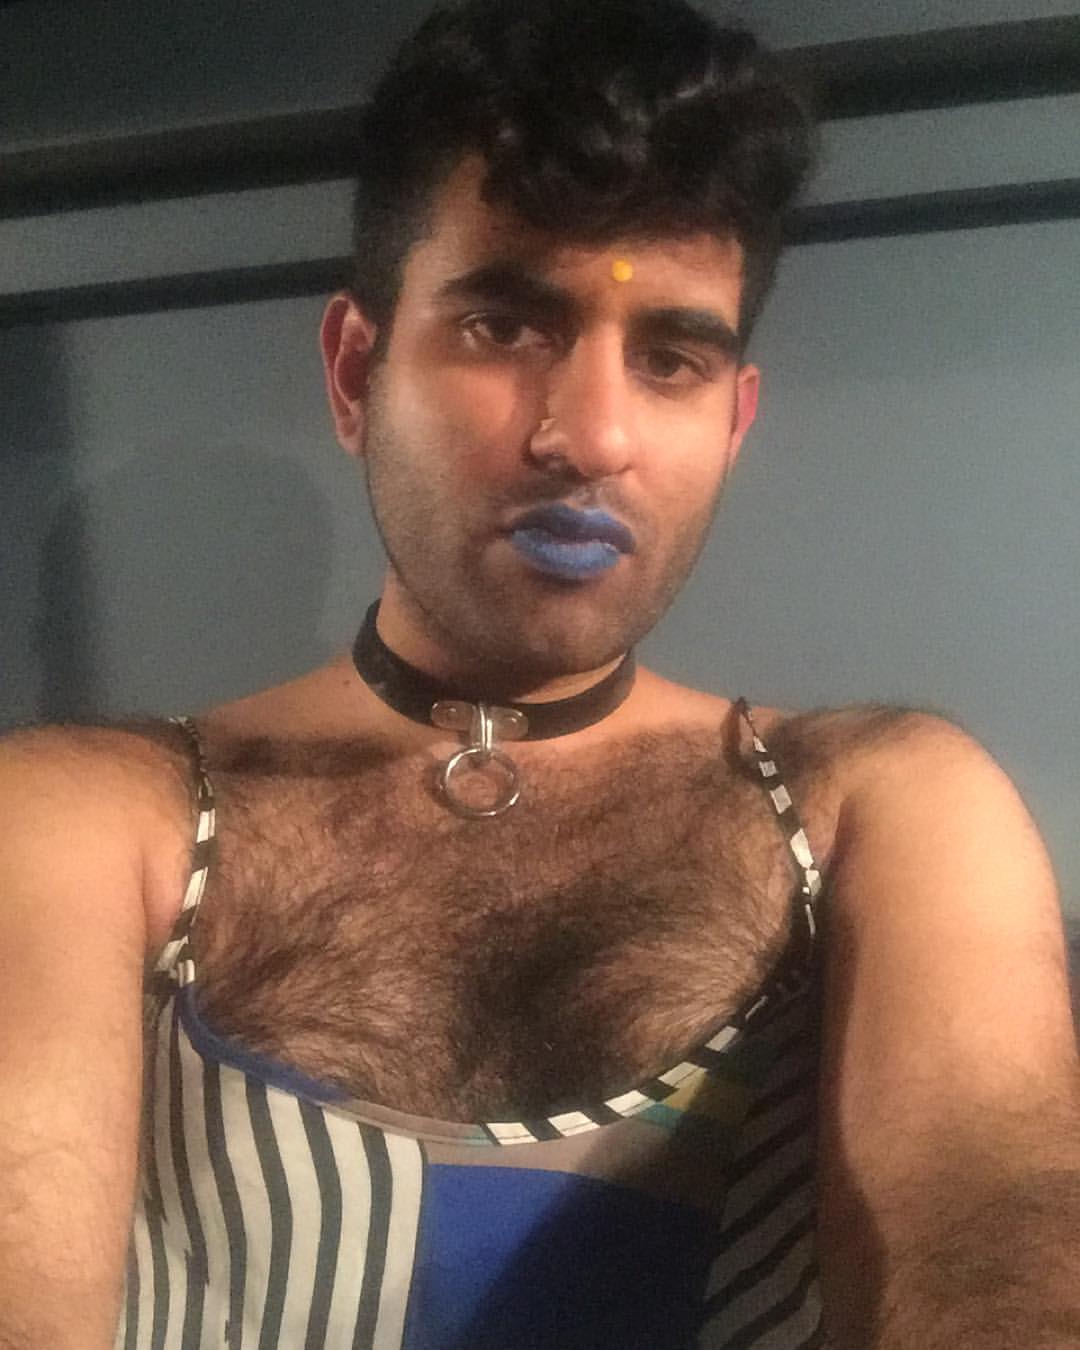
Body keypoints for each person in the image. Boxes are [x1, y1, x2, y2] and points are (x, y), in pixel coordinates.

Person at [2, 0, 1078, 1346]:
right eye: (506, 328)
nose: (591, 437)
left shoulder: (884, 805)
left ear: (734, 422)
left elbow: (989, 1221)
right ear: (355, 372)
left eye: (671, 358)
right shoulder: (86, 815)